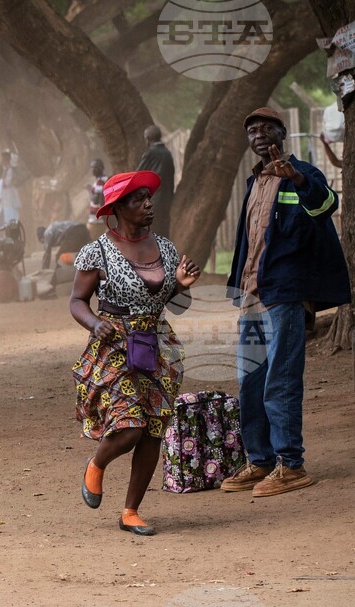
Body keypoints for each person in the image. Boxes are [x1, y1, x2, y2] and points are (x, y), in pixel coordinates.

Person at [221, 107, 349, 497]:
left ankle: (291, 465)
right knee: (250, 382)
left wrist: (294, 178)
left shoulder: (304, 174)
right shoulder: (253, 181)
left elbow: (326, 205)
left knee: (281, 379)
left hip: (287, 293)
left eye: (267, 128)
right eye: (252, 130)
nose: (259, 134)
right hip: (253, 295)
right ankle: (259, 461)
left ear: (283, 133)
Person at [71, 171, 201, 536]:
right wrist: (94, 323)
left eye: (149, 198)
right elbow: (77, 300)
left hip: (156, 345)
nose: (148, 204)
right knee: (129, 429)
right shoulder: (95, 252)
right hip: (114, 344)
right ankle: (96, 464)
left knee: (152, 431)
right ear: (117, 208)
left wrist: (180, 285)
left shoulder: (165, 248)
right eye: (138, 199)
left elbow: (175, 303)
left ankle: (131, 511)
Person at [136, 126, 175, 238]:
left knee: (151, 233)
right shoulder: (168, 154)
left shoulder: (150, 153)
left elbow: (138, 174)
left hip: (152, 200)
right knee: (164, 233)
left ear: (148, 138)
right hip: (167, 201)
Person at [85, 158, 108, 236]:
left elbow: (95, 200)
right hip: (98, 220)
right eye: (91, 167)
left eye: (94, 167)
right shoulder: (102, 180)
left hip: (96, 222)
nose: (92, 170)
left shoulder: (100, 181)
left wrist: (88, 190)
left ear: (100, 168)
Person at [0, 150, 20, 226]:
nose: (1, 160)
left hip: (10, 195)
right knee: (7, 214)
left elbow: (6, 183)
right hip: (6, 195)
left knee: (12, 213)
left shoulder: (10, 170)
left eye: (2, 158)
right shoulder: (5, 169)